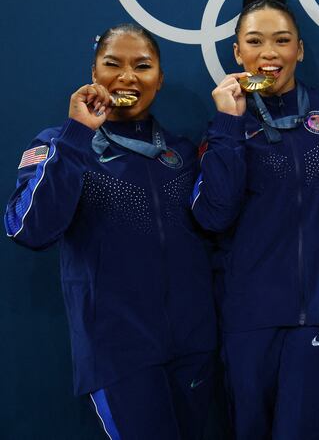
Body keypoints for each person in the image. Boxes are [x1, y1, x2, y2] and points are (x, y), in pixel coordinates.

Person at [4, 24, 217, 439]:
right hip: (118, 353)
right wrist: (76, 136)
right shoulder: (61, 145)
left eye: (142, 66)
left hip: (194, 347)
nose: (127, 77)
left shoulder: (181, 152)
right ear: (93, 72)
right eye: (112, 64)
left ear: (160, 78)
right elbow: (28, 229)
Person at [190, 0, 319, 439]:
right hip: (249, 319)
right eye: (254, 41)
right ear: (236, 51)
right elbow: (213, 216)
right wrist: (228, 126)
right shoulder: (224, 126)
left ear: (300, 49)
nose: (269, 53)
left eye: (282, 40)